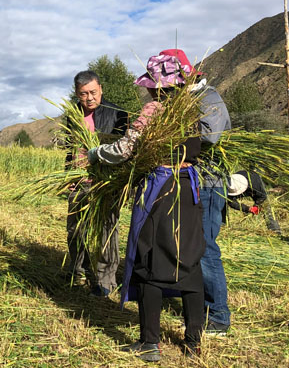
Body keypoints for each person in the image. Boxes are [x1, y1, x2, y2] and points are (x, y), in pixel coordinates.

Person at [88, 52, 205, 361]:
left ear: (156, 86)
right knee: (188, 259)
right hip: (188, 189)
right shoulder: (191, 110)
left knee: (150, 260)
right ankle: (193, 341)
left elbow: (125, 149)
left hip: (162, 190)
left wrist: (97, 154)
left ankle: (150, 343)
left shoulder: (154, 109)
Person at [162, 48, 233, 338]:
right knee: (186, 244)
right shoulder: (185, 100)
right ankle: (189, 295)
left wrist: (170, 131)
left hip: (208, 183)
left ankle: (217, 315)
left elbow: (209, 136)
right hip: (190, 182)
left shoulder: (208, 98)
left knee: (204, 248)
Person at [65, 71, 128, 296]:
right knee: (75, 229)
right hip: (79, 180)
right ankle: (79, 271)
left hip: (105, 182)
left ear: (101, 89)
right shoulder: (73, 115)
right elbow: (69, 148)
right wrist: (68, 176)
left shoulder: (117, 114)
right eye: (84, 94)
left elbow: (124, 150)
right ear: (77, 94)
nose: (90, 97)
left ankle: (105, 281)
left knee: (107, 230)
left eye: (93, 92)